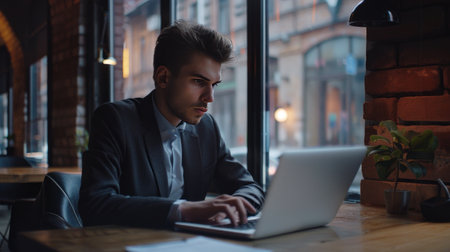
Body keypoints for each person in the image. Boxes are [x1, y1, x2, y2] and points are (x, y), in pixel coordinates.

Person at [79, 21, 264, 228]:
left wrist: (238, 203)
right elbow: (95, 204)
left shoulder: (206, 128)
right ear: (163, 77)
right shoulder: (115, 120)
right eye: (198, 82)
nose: (210, 97)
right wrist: (184, 210)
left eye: (214, 85)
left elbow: (250, 187)